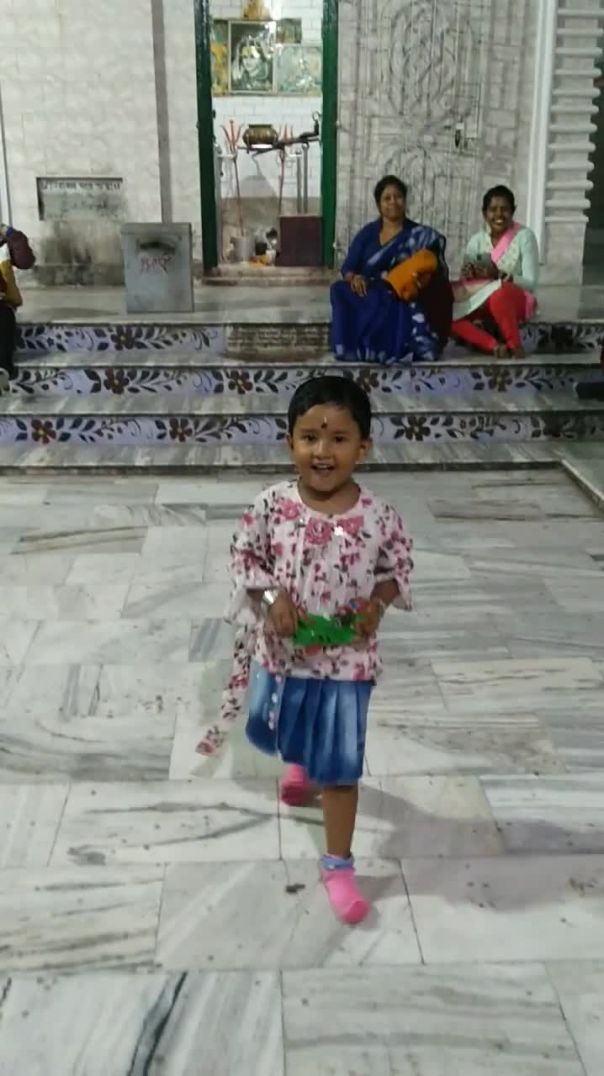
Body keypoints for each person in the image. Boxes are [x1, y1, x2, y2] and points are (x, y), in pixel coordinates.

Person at [196, 375, 413, 925]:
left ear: (364, 447)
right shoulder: (270, 507)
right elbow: (245, 557)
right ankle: (297, 757)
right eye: (310, 437)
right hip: (284, 655)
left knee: (339, 765)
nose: (323, 451)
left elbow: (396, 568)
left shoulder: (380, 517)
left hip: (347, 662)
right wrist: (271, 597)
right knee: (274, 727)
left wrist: (377, 605)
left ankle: (338, 864)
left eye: (339, 438)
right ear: (289, 442)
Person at [330, 175, 452, 364]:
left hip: (401, 292)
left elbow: (436, 268)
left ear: (405, 201)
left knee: (398, 298)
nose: (393, 202)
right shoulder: (368, 233)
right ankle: (353, 348)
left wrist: (410, 279)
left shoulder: (419, 235)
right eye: (387, 198)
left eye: (398, 197)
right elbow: (348, 266)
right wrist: (354, 278)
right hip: (369, 290)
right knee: (338, 290)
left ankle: (388, 348)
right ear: (379, 205)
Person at [450, 185, 539, 358]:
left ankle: (515, 346)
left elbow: (531, 283)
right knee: (444, 311)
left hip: (514, 299)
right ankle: (493, 346)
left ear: (513, 211)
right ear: (485, 214)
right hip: (481, 300)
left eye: (504, 209)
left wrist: (499, 276)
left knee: (499, 292)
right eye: (493, 210)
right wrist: (469, 274)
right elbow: (466, 283)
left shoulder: (525, 237)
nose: (499, 215)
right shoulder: (477, 240)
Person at [0, 222, 35, 391]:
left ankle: (2, 371)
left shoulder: (4, 241)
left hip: (2, 303)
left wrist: (12, 235)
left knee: (4, 317)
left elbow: (26, 262)